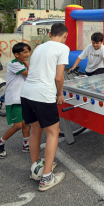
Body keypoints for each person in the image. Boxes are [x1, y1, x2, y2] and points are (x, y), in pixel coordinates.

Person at [20, 23, 70, 191]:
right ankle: (47, 177)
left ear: (50, 34)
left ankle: (37, 169)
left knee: (35, 130)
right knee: (53, 132)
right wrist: (60, 94)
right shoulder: (63, 48)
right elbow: (59, 77)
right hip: (43, 95)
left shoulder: (39, 47)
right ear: (65, 35)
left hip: (27, 93)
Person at [0, 43, 31, 159]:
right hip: (14, 100)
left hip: (23, 98)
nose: (27, 54)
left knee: (26, 124)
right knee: (18, 125)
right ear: (16, 54)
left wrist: (26, 63)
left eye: (28, 51)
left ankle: (26, 145)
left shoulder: (22, 63)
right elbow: (30, 75)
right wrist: (27, 64)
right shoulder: (13, 64)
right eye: (25, 52)